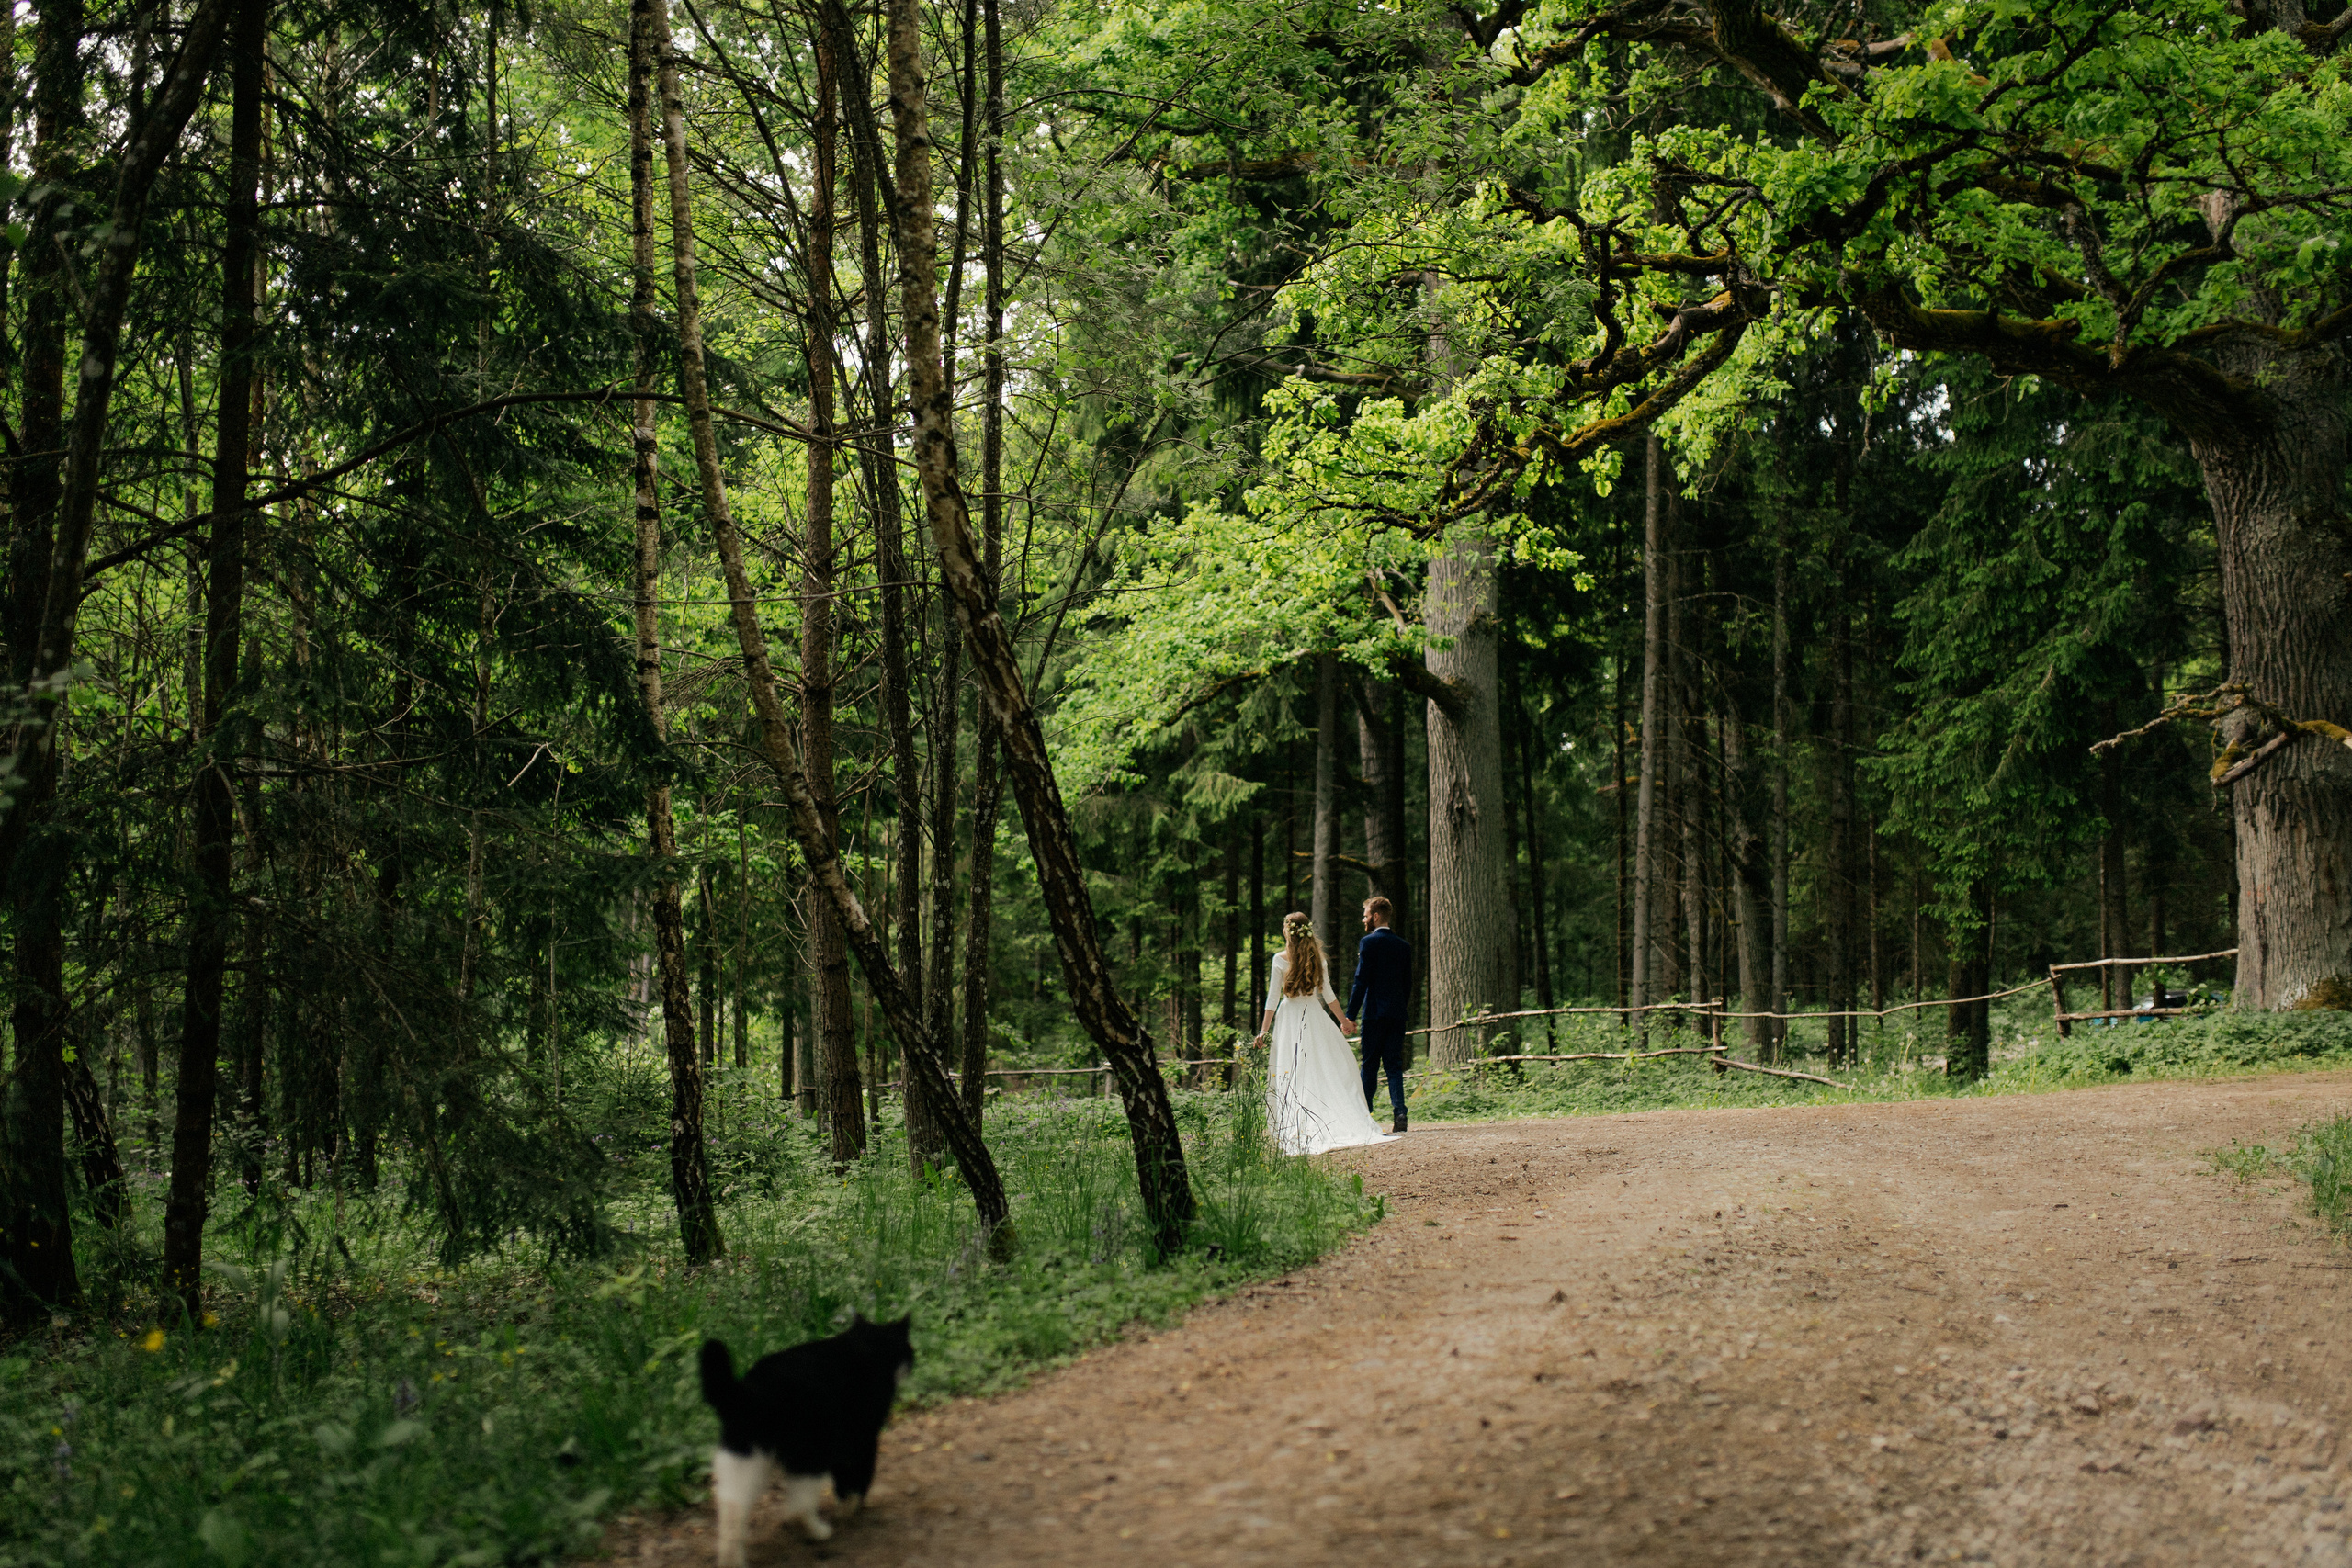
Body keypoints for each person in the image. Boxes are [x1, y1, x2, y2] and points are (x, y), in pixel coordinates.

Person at [1251, 912, 1395, 1156]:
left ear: (1288, 932)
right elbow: (1328, 995)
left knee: (1293, 1069)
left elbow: (1272, 998)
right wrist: (1345, 1022)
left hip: (1289, 1018)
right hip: (1314, 1014)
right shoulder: (1317, 959)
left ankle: (1300, 1121)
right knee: (1322, 1066)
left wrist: (1264, 1030)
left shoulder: (1280, 959)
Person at [1345, 896, 1412, 1134]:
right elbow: (1407, 984)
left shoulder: (1368, 943)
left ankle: (1365, 1115)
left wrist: (1350, 1015)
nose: (1363, 919)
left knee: (1369, 1065)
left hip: (1373, 1014)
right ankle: (1400, 1113)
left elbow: (1360, 981)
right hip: (1396, 1014)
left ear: (1375, 916)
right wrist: (1399, 1007)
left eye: (1365, 915)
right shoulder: (1403, 946)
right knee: (1393, 1065)